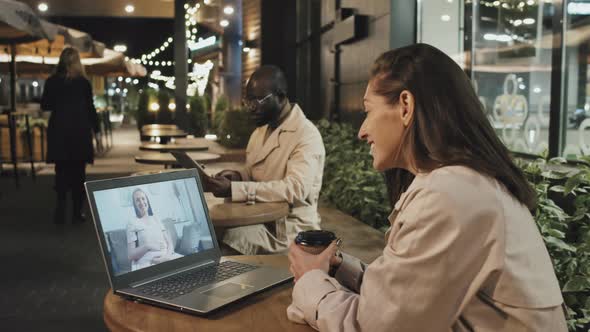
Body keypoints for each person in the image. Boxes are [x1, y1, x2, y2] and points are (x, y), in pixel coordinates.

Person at [287, 44, 566, 331]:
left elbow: (377, 327)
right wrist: (338, 269)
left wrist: (311, 279)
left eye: (368, 111)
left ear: (406, 106)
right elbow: (410, 299)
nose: (362, 131)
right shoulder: (462, 182)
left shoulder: (451, 194)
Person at [206, 65, 325, 255]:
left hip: (291, 226)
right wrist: (236, 176)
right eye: (248, 100)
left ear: (281, 96)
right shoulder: (260, 131)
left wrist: (234, 189)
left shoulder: (306, 135)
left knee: (226, 240)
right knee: (207, 234)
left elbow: (295, 189)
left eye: (258, 100)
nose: (251, 107)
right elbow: (253, 172)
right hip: (258, 216)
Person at [41, 48, 99, 224]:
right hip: (79, 131)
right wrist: (96, 129)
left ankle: (60, 209)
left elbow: (45, 105)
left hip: (59, 130)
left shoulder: (52, 82)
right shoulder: (83, 83)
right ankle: (76, 212)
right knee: (79, 172)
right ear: (77, 62)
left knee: (61, 171)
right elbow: (90, 108)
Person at [126, 189, 183, 271]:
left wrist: (165, 258)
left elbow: (169, 243)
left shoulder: (156, 218)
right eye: (137, 200)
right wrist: (148, 246)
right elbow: (131, 255)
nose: (141, 202)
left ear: (147, 200)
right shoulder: (132, 223)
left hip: (166, 257)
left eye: (143, 198)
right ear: (134, 204)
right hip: (148, 262)